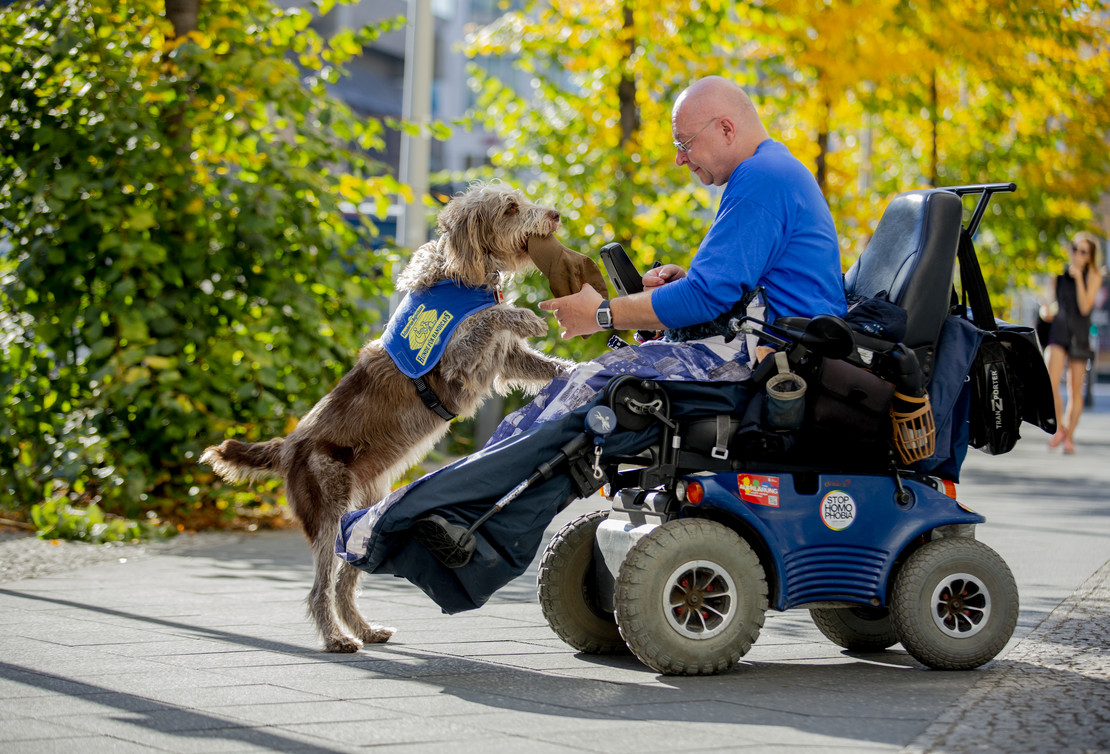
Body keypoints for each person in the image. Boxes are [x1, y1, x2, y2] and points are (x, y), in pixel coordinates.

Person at [489, 75, 847, 442]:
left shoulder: (761, 179)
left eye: (685, 143)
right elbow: (725, 289)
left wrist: (602, 313)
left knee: (590, 384)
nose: (679, 159)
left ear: (726, 128)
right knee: (579, 384)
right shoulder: (775, 171)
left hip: (767, 359)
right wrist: (685, 283)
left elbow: (704, 297)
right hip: (768, 345)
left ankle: (477, 492)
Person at [1041, 231, 1104, 453]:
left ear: (1090, 256)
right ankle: (1060, 427)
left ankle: (1070, 435)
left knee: (1075, 388)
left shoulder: (1095, 275)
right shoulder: (1058, 275)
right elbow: (1048, 303)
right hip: (1058, 331)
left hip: (1080, 333)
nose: (1077, 254)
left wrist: (1079, 279)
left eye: (1083, 251)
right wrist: (1045, 310)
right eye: (1075, 248)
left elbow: (1086, 307)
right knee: (1051, 382)